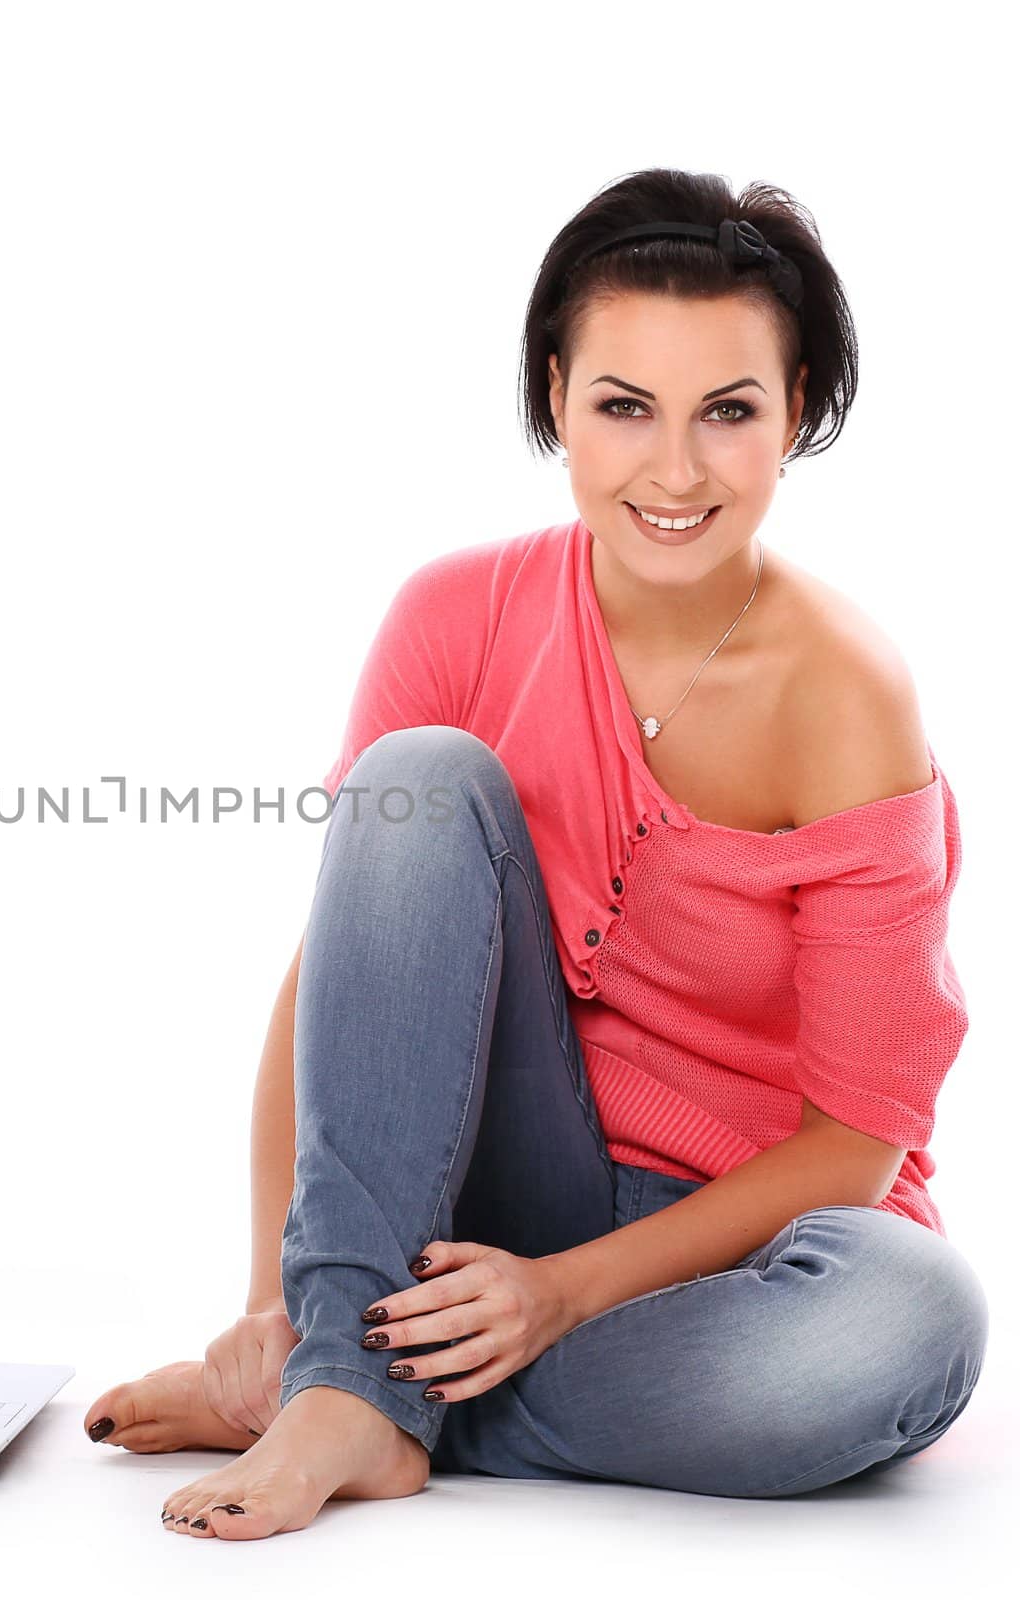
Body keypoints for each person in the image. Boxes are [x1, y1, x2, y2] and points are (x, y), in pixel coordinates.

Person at [82, 166, 988, 1541]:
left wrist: (559, 1293)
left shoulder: (846, 690)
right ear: (557, 396)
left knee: (913, 1325)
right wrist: (278, 1301)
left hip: (739, 1242)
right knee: (421, 782)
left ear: (794, 412)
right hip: (490, 1181)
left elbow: (858, 1142)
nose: (673, 471)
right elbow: (336, 983)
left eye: (728, 413)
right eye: (625, 406)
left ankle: (363, 1393)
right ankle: (339, 1373)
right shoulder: (455, 616)